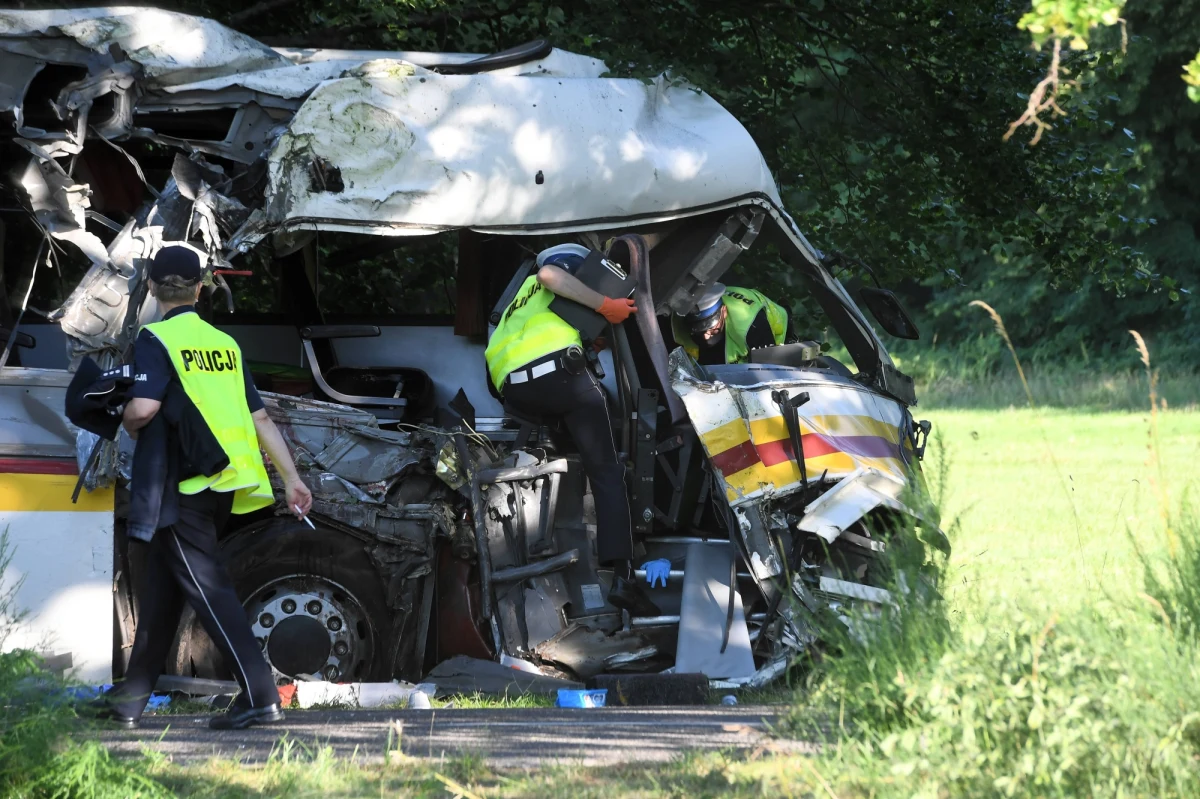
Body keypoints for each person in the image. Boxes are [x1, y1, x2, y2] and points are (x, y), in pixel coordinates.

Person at [96, 244, 313, 731]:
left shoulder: (155, 339)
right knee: (162, 593)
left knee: (210, 590)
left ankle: (260, 693)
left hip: (180, 488)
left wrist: (124, 417)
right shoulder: (224, 344)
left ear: (151, 287)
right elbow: (260, 419)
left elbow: (144, 409)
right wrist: (292, 479)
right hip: (222, 486)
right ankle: (128, 700)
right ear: (200, 288)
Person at [484, 244, 658, 615]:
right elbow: (551, 275)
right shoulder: (548, 276)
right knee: (607, 471)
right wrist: (604, 306)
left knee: (570, 444)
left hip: (514, 389)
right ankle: (623, 576)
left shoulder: (521, 300)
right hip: (560, 373)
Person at [671, 283, 788, 365]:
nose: (705, 336)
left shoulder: (751, 323)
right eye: (697, 330)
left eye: (711, 328)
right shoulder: (677, 323)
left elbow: (769, 370)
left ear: (724, 311)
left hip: (773, 331)